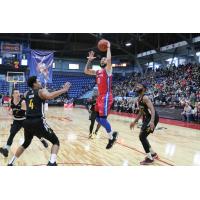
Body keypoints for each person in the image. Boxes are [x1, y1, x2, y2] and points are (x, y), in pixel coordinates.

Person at [8, 76, 71, 166]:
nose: (40, 82)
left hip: (27, 122)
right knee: (55, 142)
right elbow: (49, 96)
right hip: (38, 121)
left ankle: (11, 163)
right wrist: (64, 89)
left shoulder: (26, 93)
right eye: (38, 81)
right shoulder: (41, 91)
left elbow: (23, 100)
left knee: (25, 143)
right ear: (34, 84)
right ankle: (52, 163)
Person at [84, 41, 118, 149]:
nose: (104, 59)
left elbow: (109, 60)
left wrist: (108, 47)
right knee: (98, 119)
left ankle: (111, 137)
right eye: (102, 59)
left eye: (105, 59)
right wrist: (89, 60)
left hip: (106, 96)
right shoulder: (98, 71)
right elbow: (86, 71)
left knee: (102, 119)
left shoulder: (108, 70)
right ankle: (113, 134)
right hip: (100, 97)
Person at [0, 89, 48, 158]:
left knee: (34, 132)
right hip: (16, 121)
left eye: (18, 93)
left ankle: (42, 140)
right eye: (16, 93)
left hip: (24, 120)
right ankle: (6, 150)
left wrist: (12, 112)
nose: (18, 94)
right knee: (12, 134)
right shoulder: (11, 101)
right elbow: (11, 109)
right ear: (12, 95)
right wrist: (10, 110)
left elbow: (21, 112)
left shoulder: (22, 102)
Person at [130, 83, 159, 165]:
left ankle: (150, 158)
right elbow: (141, 112)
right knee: (143, 136)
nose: (137, 87)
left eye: (139, 86)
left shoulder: (145, 97)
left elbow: (152, 110)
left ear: (144, 89)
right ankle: (153, 154)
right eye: (137, 86)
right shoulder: (139, 99)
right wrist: (134, 122)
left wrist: (152, 121)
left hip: (153, 118)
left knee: (142, 136)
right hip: (147, 119)